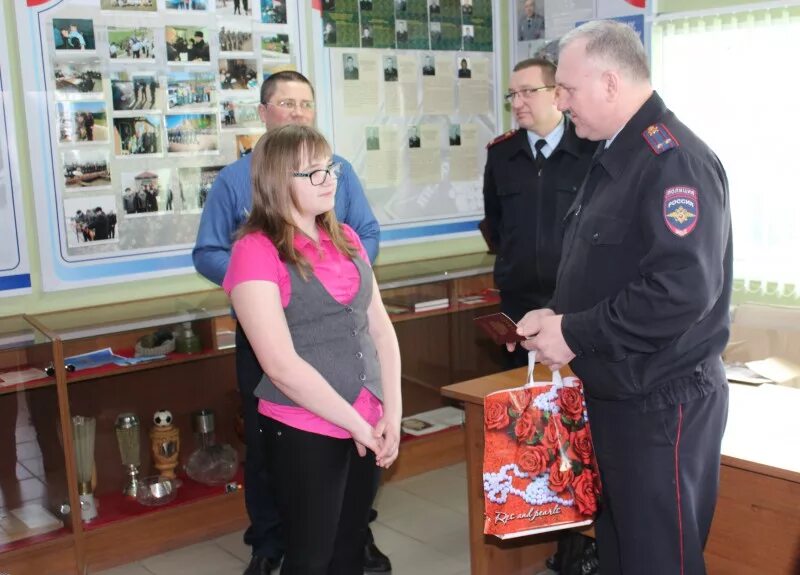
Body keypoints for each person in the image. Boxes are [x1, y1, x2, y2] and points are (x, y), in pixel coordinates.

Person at [514, 20, 732, 575]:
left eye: (567, 89)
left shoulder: (671, 161)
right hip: (613, 393)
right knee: (618, 551)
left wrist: (573, 332)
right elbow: (606, 269)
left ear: (610, 83)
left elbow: (679, 292)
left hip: (660, 401)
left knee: (660, 558)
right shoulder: (614, 154)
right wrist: (557, 317)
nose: (560, 104)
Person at [192, 71, 388, 575]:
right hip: (310, 425)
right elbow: (280, 365)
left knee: (348, 548)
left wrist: (391, 411)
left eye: (330, 171)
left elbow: (379, 328)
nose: (330, 180)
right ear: (281, 182)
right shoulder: (254, 250)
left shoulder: (344, 235)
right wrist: (357, 426)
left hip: (365, 414)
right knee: (311, 554)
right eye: (314, 174)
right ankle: (264, 545)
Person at [482, 57, 594, 368]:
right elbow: (496, 223)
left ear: (557, 93)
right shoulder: (501, 154)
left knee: (573, 400)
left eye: (527, 91)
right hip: (518, 301)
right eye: (512, 94)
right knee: (517, 397)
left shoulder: (589, 150)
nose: (517, 102)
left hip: (573, 302)